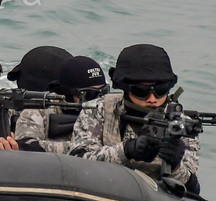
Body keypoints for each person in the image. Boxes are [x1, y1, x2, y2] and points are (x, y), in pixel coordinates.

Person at [67, 44, 198, 185]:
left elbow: (189, 187)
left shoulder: (181, 125)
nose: (152, 98)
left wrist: (175, 165)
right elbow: (78, 160)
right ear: (125, 88)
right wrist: (128, 150)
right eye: (141, 91)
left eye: (161, 89)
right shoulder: (98, 109)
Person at [16, 54, 107, 153]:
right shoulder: (39, 111)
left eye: (104, 92)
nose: (98, 100)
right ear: (69, 94)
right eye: (90, 94)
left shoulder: (109, 111)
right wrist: (81, 150)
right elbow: (26, 147)